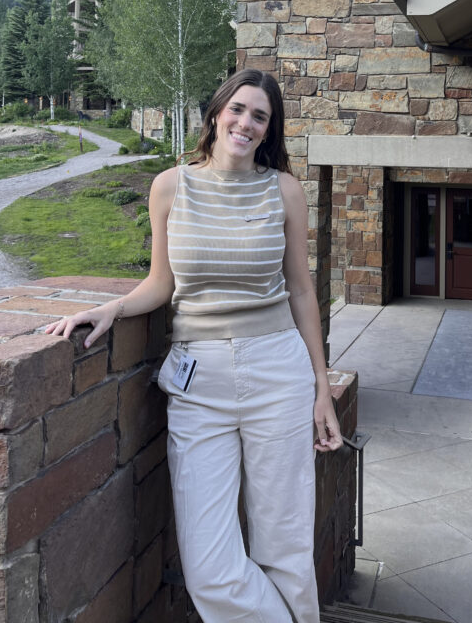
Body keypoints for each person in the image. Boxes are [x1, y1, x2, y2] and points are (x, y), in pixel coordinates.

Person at [46, 68, 342, 622]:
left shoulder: (283, 190)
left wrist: (322, 390)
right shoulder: (171, 185)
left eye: (260, 116)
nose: (246, 123)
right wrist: (112, 306)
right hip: (197, 380)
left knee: (285, 548)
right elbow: (162, 283)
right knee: (209, 566)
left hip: (278, 369)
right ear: (215, 113)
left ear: (269, 129)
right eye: (238, 109)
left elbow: (302, 290)